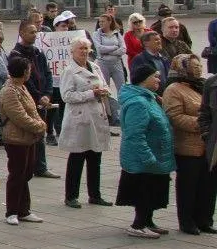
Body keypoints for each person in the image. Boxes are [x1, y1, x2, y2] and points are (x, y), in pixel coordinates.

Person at [116, 62, 175, 238]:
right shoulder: (138, 103)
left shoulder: (150, 97)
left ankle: (148, 221)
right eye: (155, 76)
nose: (159, 79)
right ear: (143, 80)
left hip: (156, 154)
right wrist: (147, 156)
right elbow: (135, 134)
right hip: (144, 157)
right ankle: (138, 224)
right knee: (144, 190)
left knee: (153, 190)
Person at [58, 38, 113, 209]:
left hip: (96, 116)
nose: (83, 51)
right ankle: (71, 196)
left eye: (86, 48)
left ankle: (95, 195)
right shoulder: (69, 71)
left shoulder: (95, 67)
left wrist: (104, 91)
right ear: (73, 51)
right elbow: (66, 96)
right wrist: (91, 94)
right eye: (80, 48)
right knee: (77, 157)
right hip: (80, 118)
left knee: (95, 157)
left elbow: (104, 84)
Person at [162, 53, 214, 235]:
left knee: (208, 186)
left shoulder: (203, 85)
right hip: (187, 147)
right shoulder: (174, 89)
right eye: (193, 66)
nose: (198, 68)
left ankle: (204, 220)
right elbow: (175, 117)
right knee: (188, 187)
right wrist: (204, 123)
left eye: (199, 65)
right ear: (182, 68)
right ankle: (187, 222)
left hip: (208, 146)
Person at [0, 55, 47, 225]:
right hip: (15, 138)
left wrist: (39, 123)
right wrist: (39, 126)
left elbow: (31, 110)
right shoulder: (9, 90)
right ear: (23, 72)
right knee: (17, 174)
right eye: (28, 70)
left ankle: (24, 209)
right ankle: (11, 211)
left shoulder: (22, 87)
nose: (30, 72)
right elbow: (19, 116)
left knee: (26, 173)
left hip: (28, 138)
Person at [12, 23, 60, 179]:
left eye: (36, 32)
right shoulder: (16, 55)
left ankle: (40, 166)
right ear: (22, 33)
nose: (35, 34)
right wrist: (39, 95)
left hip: (42, 99)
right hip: (27, 99)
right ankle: (29, 165)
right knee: (29, 133)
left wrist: (47, 93)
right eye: (31, 32)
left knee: (40, 132)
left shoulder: (38, 52)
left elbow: (47, 73)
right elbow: (25, 79)